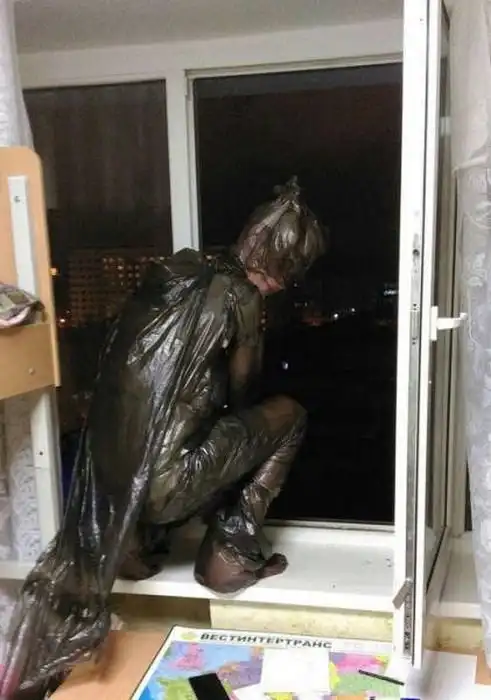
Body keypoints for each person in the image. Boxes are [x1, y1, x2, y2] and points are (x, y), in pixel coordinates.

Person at [1, 177, 326, 697]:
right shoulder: (241, 297)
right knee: (287, 416)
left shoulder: (175, 272)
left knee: (169, 436)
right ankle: (228, 556)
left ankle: (137, 546)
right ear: (283, 268)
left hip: (113, 487)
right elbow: (244, 395)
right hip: (164, 486)